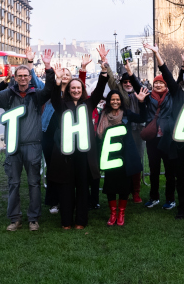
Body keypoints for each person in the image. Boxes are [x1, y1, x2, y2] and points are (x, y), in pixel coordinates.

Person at [0, 49, 56, 232]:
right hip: (13, 148)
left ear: (30, 77)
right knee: (13, 183)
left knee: (34, 183)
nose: (22, 78)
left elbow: (50, 89)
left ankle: (33, 219)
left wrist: (48, 67)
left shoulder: (37, 95)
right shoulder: (8, 94)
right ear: (15, 77)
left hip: (33, 146)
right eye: (19, 75)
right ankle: (15, 218)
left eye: (25, 76)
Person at [144, 43, 184, 220]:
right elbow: (165, 72)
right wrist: (157, 53)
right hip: (178, 143)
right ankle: (182, 207)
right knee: (179, 177)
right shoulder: (177, 93)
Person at [47, 57, 109, 230]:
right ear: (69, 90)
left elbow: (99, 89)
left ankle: (81, 221)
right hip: (65, 154)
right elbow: (53, 96)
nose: (75, 90)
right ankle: (66, 221)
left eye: (78, 88)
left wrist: (103, 69)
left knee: (82, 188)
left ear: (82, 90)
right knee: (66, 189)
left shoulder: (88, 104)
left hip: (83, 155)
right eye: (73, 88)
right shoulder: (62, 105)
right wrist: (57, 81)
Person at [28, 46, 90, 215]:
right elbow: (34, 80)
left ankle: (69, 200)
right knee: (53, 167)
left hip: (70, 136)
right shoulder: (50, 91)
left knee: (69, 169)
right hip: (50, 133)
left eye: (68, 75)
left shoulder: (74, 93)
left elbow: (82, 86)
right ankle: (54, 200)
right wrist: (30, 63)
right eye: (62, 74)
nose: (64, 76)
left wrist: (83, 69)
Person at [98, 88, 149, 226]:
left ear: (121, 101)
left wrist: (142, 102)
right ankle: (113, 213)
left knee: (124, 186)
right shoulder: (103, 114)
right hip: (109, 156)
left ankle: (121, 213)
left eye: (118, 99)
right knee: (110, 185)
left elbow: (143, 118)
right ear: (109, 101)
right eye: (113, 99)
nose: (115, 102)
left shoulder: (126, 114)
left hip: (124, 155)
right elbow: (99, 136)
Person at [103, 55, 144, 204]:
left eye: (129, 81)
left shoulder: (140, 92)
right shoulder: (119, 95)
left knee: (136, 160)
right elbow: (111, 80)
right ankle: (125, 190)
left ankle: (136, 192)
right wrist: (105, 63)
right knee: (123, 160)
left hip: (137, 130)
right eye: (125, 82)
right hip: (123, 132)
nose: (128, 83)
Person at [141, 69, 177, 211]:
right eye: (156, 83)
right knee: (153, 169)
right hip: (153, 139)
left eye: (161, 83)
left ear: (166, 84)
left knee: (170, 171)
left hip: (167, 137)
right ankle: (154, 197)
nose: (158, 85)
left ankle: (170, 199)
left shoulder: (172, 95)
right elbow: (136, 84)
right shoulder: (149, 97)